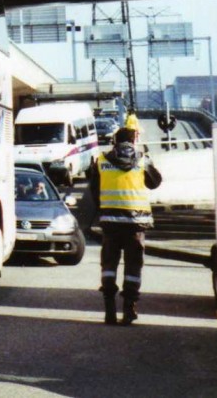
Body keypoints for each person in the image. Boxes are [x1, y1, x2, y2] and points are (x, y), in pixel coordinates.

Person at [87, 122, 163, 326]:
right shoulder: (141, 159)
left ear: (115, 141)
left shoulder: (101, 160)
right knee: (133, 266)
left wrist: (104, 209)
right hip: (136, 224)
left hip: (111, 224)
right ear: (133, 141)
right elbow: (155, 183)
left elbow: (94, 189)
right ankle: (129, 309)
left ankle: (109, 310)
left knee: (109, 265)